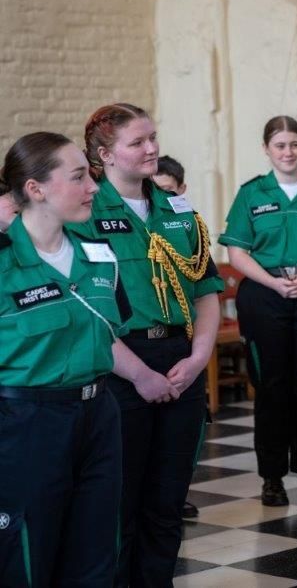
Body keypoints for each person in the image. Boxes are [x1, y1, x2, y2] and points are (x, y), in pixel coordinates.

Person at [71, 102, 224, 586]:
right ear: (104, 155)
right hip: (121, 366)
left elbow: (205, 291)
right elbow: (83, 309)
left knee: (167, 500)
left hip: (180, 361)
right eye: (137, 142)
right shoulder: (86, 215)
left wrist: (199, 357)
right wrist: (139, 374)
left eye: (153, 137)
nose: (152, 148)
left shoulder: (177, 210)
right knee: (120, 503)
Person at [0, 132, 131, 586]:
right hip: (26, 421)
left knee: (96, 549)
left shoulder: (99, 253)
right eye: (78, 176)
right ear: (36, 189)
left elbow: (114, 328)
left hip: (98, 413)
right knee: (28, 551)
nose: (94, 186)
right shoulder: (3, 261)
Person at [219, 115, 297, 508]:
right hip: (265, 294)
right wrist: (273, 283)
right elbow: (236, 252)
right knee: (271, 389)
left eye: (294, 144)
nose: (288, 152)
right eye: (280, 146)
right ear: (267, 150)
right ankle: (272, 478)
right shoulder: (251, 194)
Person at [150, 154, 201, 520]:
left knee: (173, 469)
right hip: (134, 352)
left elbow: (205, 286)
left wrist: (197, 359)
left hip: (180, 343)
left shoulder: (185, 222)